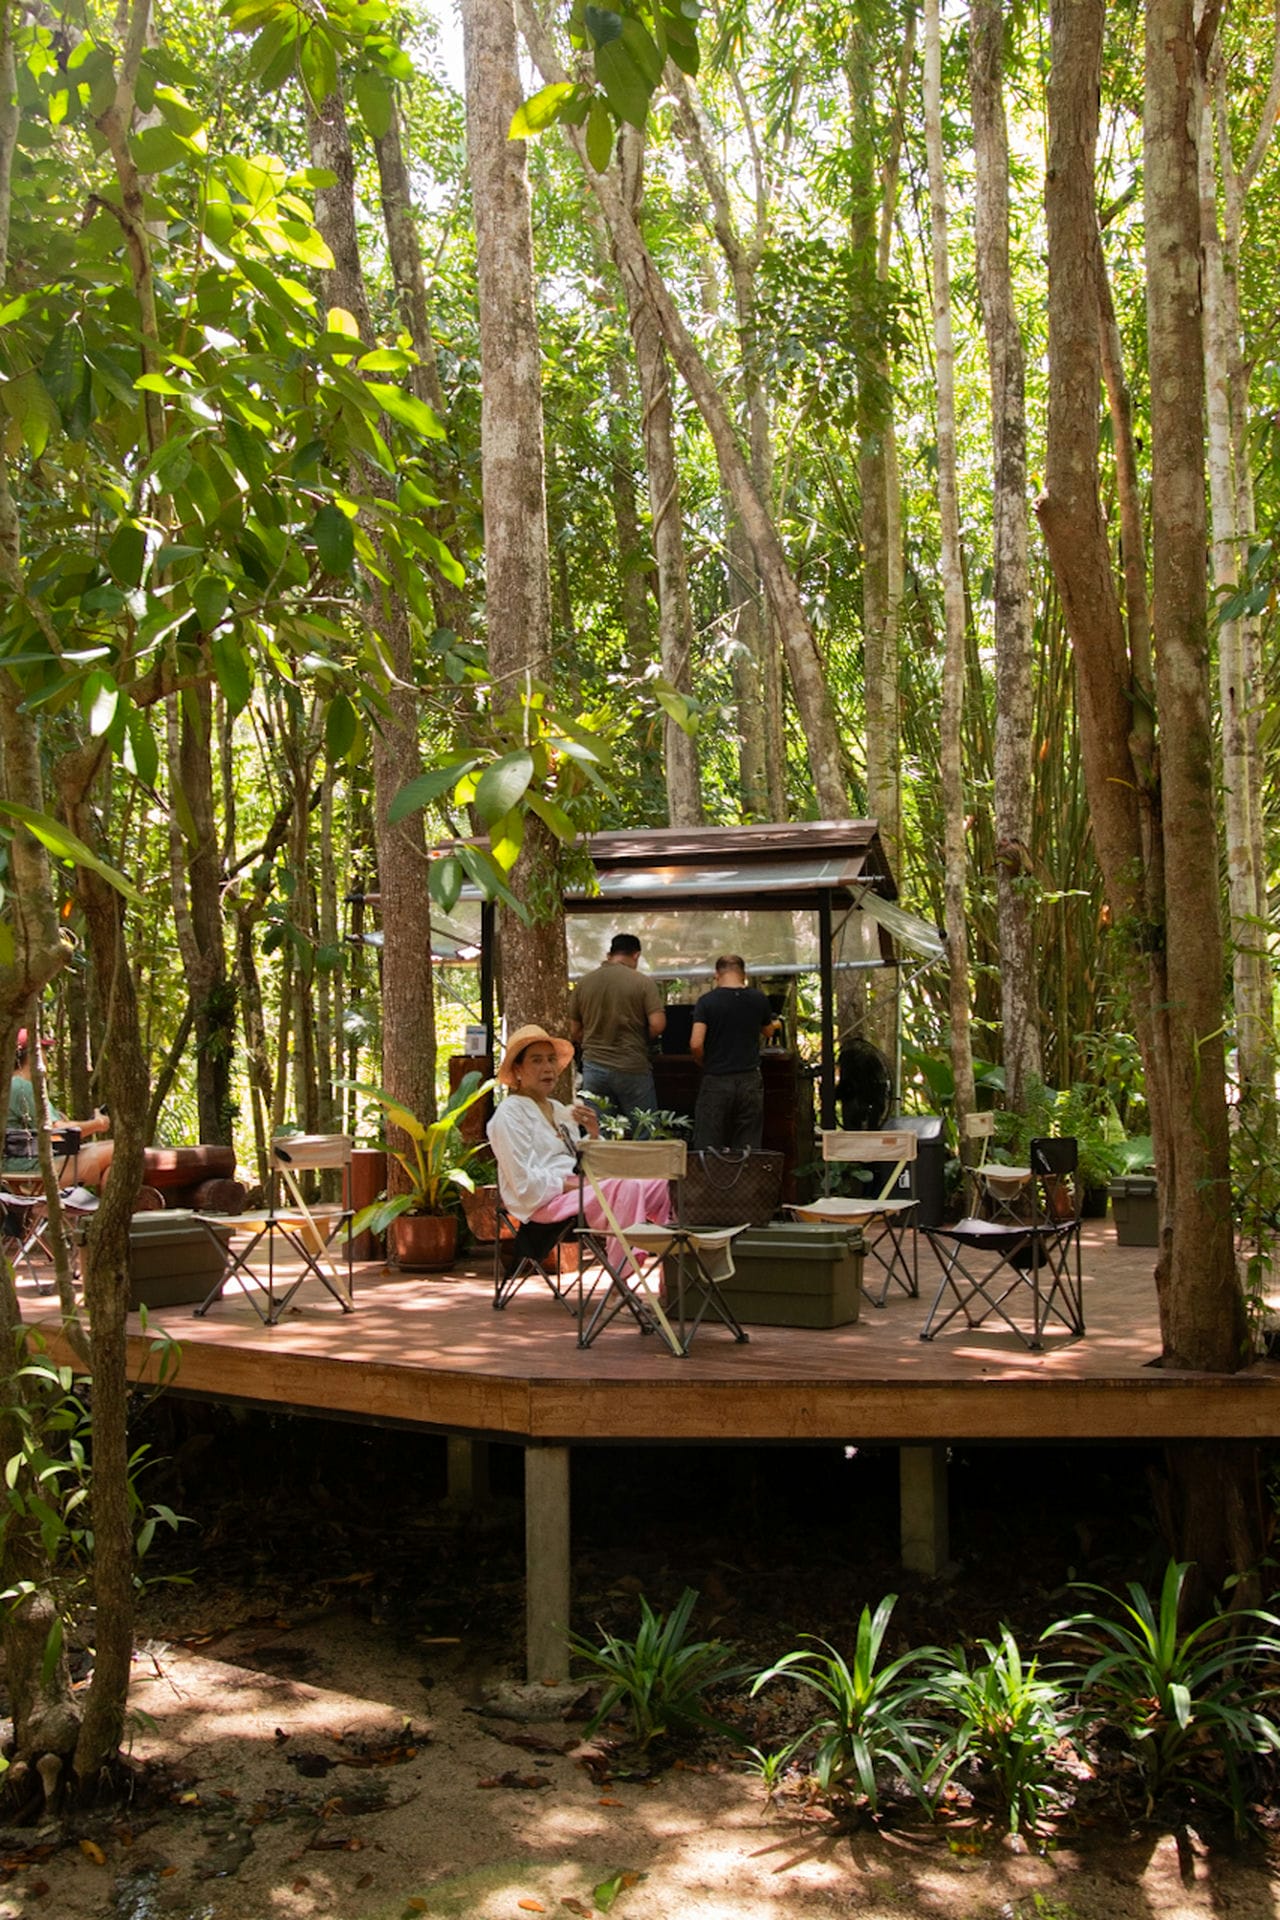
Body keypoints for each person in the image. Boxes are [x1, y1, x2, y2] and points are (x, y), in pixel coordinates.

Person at [486, 1024, 669, 1261]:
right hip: (545, 1202)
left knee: (664, 1185)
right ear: (518, 1069)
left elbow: (583, 1163)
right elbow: (523, 1184)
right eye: (537, 1061)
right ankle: (621, 1284)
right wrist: (573, 1186)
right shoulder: (509, 1114)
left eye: (551, 1060)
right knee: (626, 1187)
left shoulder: (559, 1109)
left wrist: (593, 1133)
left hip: (584, 1190)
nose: (547, 1068)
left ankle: (672, 1278)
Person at [568, 933, 666, 1131]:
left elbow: (573, 1029)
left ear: (609, 954)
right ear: (636, 955)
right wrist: (640, 1038)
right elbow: (658, 1024)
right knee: (645, 1130)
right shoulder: (642, 982)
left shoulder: (584, 983)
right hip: (632, 1065)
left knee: (600, 1130)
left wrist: (591, 1039)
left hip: (594, 1067)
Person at [5, 1028, 113, 1188]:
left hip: (17, 1162)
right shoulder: (23, 1087)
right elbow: (59, 1131)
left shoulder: (8, 1086)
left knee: (108, 1147)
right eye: (43, 1050)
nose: (46, 1057)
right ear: (33, 1054)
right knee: (121, 1151)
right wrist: (98, 1124)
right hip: (30, 1168)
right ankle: (112, 1211)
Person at [690, 955, 778, 1151]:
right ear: (744, 975)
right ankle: (746, 1179)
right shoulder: (758, 999)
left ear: (717, 975)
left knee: (709, 1142)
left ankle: (711, 1180)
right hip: (750, 1080)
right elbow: (769, 1031)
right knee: (748, 1143)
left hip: (717, 1078)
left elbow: (696, 1043)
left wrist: (701, 1061)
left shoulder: (707, 1002)